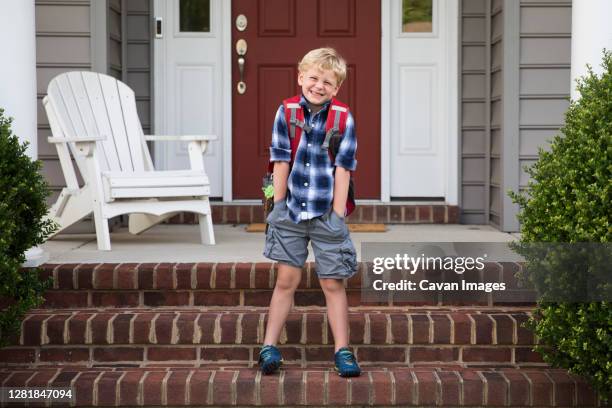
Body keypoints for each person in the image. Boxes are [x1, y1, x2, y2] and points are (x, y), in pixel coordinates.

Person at [260, 47, 360, 377]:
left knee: (333, 282)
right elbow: (280, 159)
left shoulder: (343, 118)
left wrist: (336, 216)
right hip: (289, 211)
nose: (319, 86)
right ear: (301, 77)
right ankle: (269, 347)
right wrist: (277, 206)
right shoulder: (286, 111)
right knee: (286, 279)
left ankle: (342, 350)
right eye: (313, 78)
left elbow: (343, 169)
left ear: (336, 88)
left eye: (327, 82)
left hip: (324, 212)